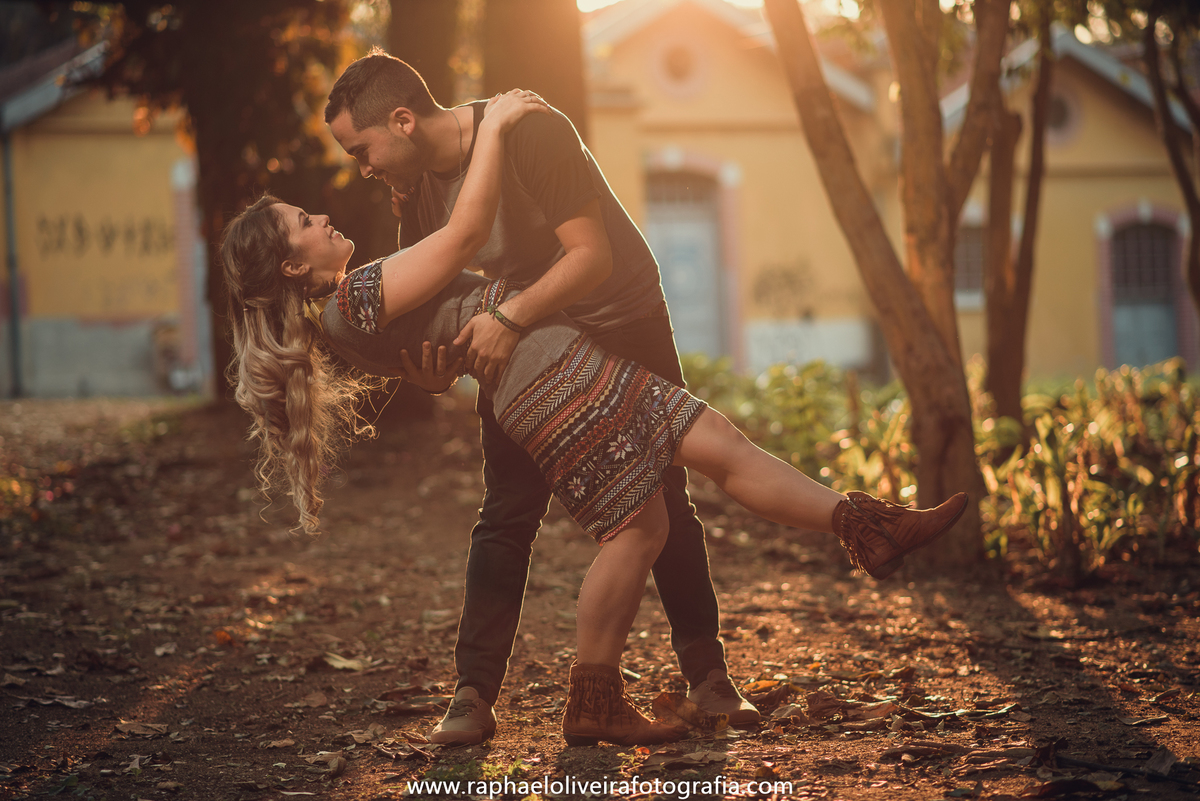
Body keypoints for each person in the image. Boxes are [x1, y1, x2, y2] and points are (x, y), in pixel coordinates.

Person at [222, 90, 969, 748]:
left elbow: (435, 349)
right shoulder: (354, 298)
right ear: (291, 265)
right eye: (306, 220)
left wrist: (437, 365)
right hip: (547, 374)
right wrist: (501, 120)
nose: (327, 211)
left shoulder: (346, 307)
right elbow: (464, 237)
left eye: (355, 154)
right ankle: (593, 699)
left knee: (721, 445)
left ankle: (868, 525)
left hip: (563, 354)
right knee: (641, 527)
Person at [323, 48, 762, 746]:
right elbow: (428, 305)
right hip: (528, 344)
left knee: (666, 492)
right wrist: (433, 370)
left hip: (617, 316)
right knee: (505, 510)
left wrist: (505, 321)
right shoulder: (416, 194)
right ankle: (471, 694)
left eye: (362, 149)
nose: (363, 167)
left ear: (402, 121)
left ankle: (708, 676)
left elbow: (592, 258)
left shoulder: (527, 127)